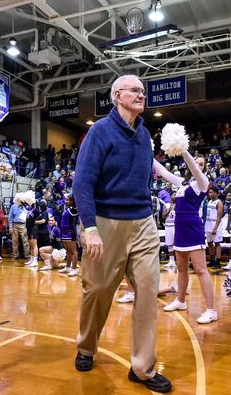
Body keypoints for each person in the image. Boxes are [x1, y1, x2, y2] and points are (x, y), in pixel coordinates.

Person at [72, 74, 172, 392]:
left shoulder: (144, 136)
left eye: (143, 91)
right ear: (117, 96)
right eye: (135, 90)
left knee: (147, 292)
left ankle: (142, 368)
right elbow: (82, 183)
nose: (141, 95)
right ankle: (87, 346)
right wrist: (90, 228)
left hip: (143, 221)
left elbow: (144, 180)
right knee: (98, 290)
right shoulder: (100, 131)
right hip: (105, 221)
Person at [154, 151, 217, 325]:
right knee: (181, 268)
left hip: (193, 228)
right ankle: (180, 301)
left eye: (202, 163)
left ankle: (211, 310)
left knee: (201, 269)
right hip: (179, 228)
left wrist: (183, 150)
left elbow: (195, 169)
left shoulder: (203, 182)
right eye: (196, 163)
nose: (198, 166)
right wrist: (147, 151)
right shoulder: (183, 183)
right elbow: (164, 172)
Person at [58, 195, 79, 276]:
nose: (65, 201)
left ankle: (74, 269)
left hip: (70, 231)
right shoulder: (66, 209)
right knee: (68, 251)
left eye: (67, 200)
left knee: (73, 251)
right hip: (64, 231)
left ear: (71, 201)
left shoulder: (74, 210)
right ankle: (67, 267)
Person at [204, 186, 224, 269]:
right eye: (209, 192)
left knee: (217, 243)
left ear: (216, 193)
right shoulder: (209, 202)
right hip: (208, 224)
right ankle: (212, 259)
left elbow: (219, 217)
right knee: (209, 242)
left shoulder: (219, 203)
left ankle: (218, 261)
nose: (210, 194)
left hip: (215, 225)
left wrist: (215, 228)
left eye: (211, 192)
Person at [9, 195, 29, 259]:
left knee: (25, 241)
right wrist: (10, 227)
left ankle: (27, 255)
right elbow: (10, 217)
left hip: (23, 224)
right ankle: (15, 255)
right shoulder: (13, 206)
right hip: (15, 224)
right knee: (14, 241)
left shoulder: (26, 207)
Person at [161, 195, 176, 269]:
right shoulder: (166, 205)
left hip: (176, 226)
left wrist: (176, 210)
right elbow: (163, 216)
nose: (175, 195)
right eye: (173, 194)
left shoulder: (180, 205)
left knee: (178, 244)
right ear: (170, 196)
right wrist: (170, 210)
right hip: (168, 226)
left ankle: (179, 261)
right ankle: (171, 261)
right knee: (170, 244)